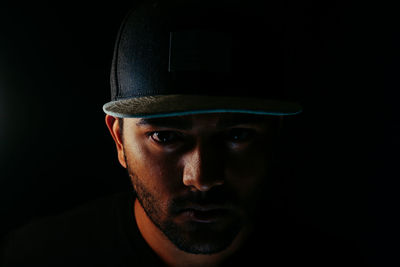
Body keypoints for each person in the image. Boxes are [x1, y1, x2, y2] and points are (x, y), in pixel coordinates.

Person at [1, 1, 363, 266]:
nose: (203, 179)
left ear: (275, 135)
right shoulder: (33, 258)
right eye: (166, 137)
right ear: (119, 140)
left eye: (237, 134)